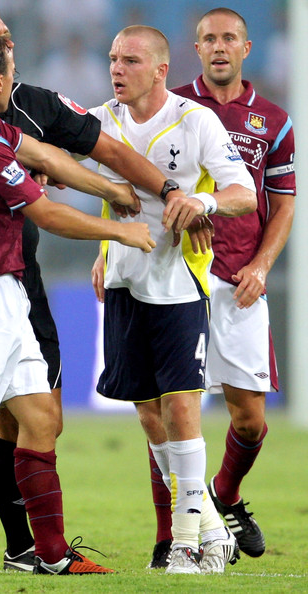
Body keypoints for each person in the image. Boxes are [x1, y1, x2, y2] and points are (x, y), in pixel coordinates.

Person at [0, 4, 211, 572]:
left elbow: (53, 155)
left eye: (7, 38)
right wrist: (120, 227)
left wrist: (138, 189)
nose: (9, 48)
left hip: (15, 285)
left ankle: (45, 553)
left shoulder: (3, 118)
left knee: (39, 417)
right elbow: (46, 212)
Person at [89, 24, 257, 575]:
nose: (117, 68)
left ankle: (185, 542)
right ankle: (209, 526)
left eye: (130, 60)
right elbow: (85, 184)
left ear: (161, 69)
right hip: (123, 283)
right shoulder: (100, 122)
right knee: (149, 415)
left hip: (181, 281)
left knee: (182, 406)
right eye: (113, 58)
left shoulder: (195, 120)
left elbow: (243, 193)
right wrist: (102, 244)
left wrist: (203, 203)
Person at [143, 7, 296, 568]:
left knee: (249, 420)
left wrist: (262, 265)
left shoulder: (274, 121)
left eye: (229, 38)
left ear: (247, 48)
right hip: (178, 275)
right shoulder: (171, 106)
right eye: (209, 39)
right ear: (196, 48)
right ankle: (170, 538)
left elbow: (280, 207)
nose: (219, 47)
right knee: (166, 412)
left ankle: (223, 496)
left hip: (239, 282)